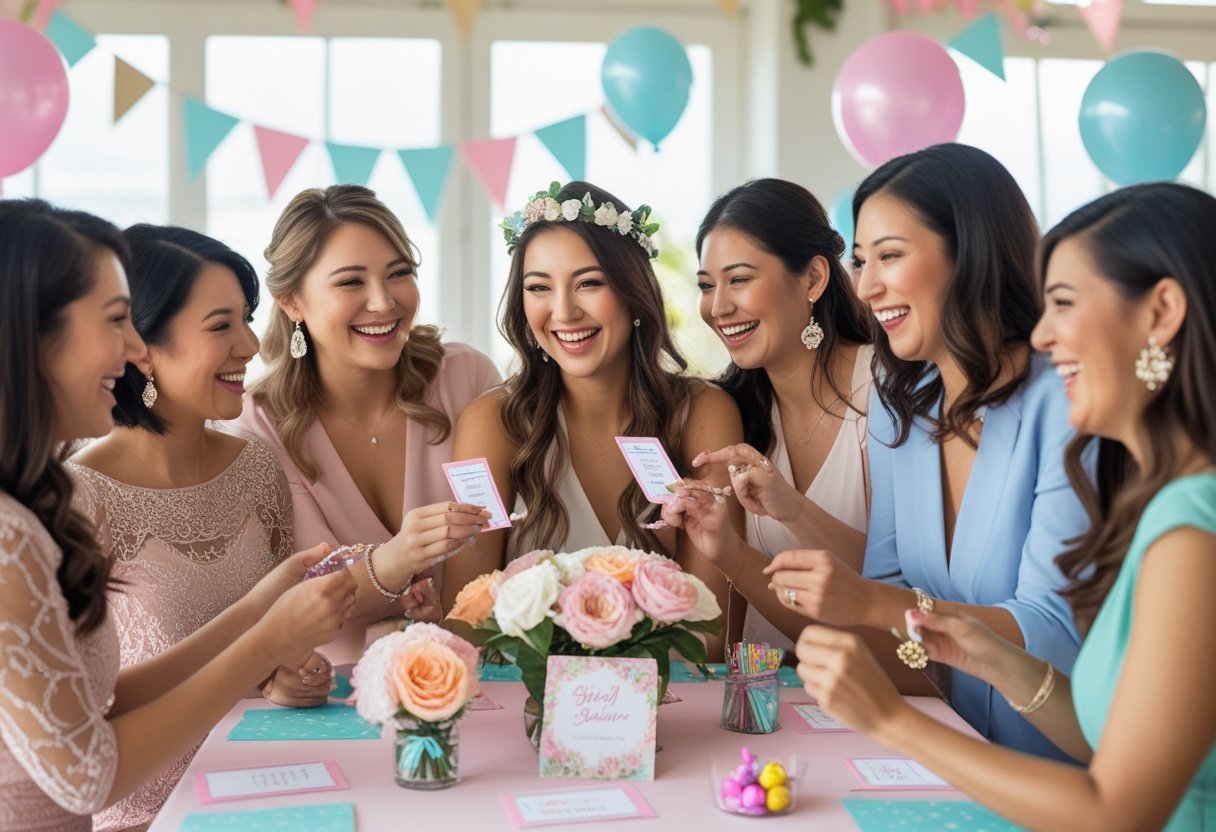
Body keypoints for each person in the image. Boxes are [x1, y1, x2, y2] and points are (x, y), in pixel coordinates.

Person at [795, 182, 1216, 831]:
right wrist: (988, 655)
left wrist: (890, 719)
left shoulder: (1192, 529)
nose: (1043, 337)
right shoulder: (1166, 503)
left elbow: (1119, 811)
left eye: (1065, 304)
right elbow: (1104, 744)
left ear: (1160, 312)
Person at [0, 200, 356, 831]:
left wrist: (261, 610)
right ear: (33, 333)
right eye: (115, 321)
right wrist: (267, 641)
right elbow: (87, 776)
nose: (133, 346)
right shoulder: (14, 532)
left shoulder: (31, 499)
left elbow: (97, 704)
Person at [766, 144, 1087, 758]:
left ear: (972, 253)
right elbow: (895, 603)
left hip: (1059, 770)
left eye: (889, 256)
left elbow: (1050, 634)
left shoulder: (1067, 401)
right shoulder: (902, 405)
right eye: (860, 262)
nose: (865, 286)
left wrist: (869, 602)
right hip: (944, 753)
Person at [442, 181, 742, 659]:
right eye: (539, 287)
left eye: (589, 283)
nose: (563, 311)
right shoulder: (490, 422)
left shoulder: (703, 414)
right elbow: (467, 621)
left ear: (632, 291)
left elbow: (711, 634)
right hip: (530, 709)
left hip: (668, 709)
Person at [230, 185, 500, 663]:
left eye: (399, 274)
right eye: (350, 282)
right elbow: (307, 593)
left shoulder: (467, 379)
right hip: (330, 699)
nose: (382, 302)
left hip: (469, 671)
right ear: (291, 301)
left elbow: (495, 556)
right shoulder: (260, 425)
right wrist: (398, 558)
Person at [659, 178, 873, 657]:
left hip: (884, 700)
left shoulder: (887, 392)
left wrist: (794, 509)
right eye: (707, 286)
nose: (718, 307)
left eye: (739, 279)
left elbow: (900, 585)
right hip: (767, 705)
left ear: (814, 279)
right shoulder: (731, 412)